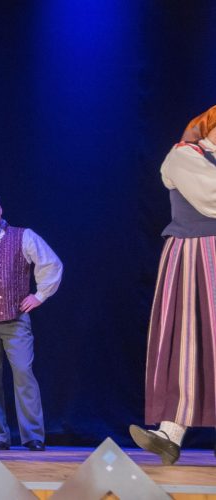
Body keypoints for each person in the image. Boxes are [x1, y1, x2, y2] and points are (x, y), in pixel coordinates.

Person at [129, 112, 216, 464]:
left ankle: (170, 435)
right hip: (197, 253)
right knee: (187, 340)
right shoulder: (184, 154)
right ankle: (170, 433)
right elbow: (210, 196)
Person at [0, 191, 62, 452]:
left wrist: (39, 295)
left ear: (0, 209)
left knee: (23, 374)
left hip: (15, 319)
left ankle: (32, 435)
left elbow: (51, 264)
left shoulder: (23, 236)